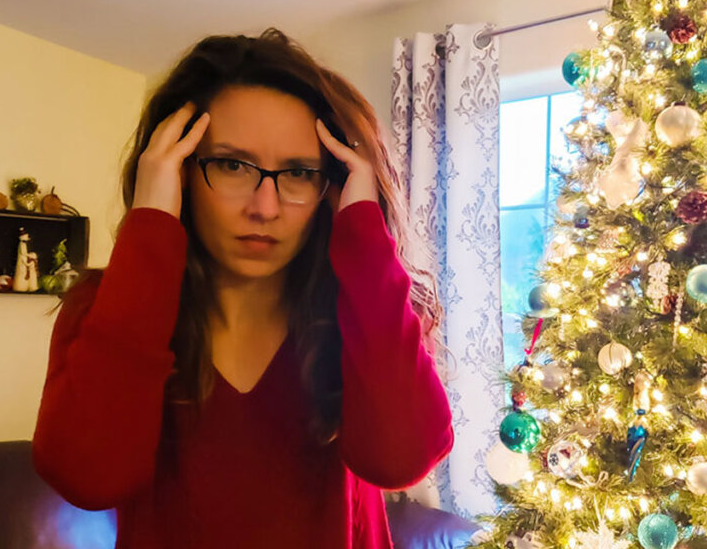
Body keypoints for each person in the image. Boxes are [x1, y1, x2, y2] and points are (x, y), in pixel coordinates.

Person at [32, 28, 454, 548]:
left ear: (333, 187)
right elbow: (87, 478)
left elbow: (400, 461)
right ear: (179, 172)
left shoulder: (366, 309)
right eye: (232, 165)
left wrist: (366, 234)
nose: (265, 207)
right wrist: (148, 229)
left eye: (298, 172)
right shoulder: (108, 305)